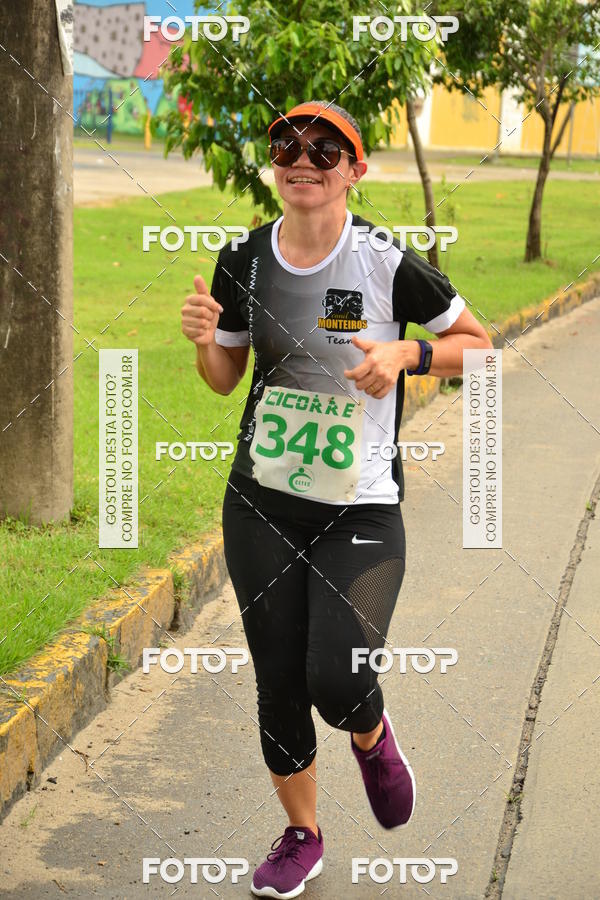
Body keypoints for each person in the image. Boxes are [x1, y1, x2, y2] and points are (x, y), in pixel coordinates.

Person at [181, 100, 492, 898]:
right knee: (278, 678)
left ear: (355, 169)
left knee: (339, 676)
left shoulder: (388, 263)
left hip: (360, 507)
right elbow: (225, 380)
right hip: (261, 504)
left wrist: (406, 351)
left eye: (327, 149)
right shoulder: (243, 261)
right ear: (273, 164)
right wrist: (201, 340)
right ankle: (302, 834)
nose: (303, 159)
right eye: (287, 144)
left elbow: (479, 350)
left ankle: (371, 731)